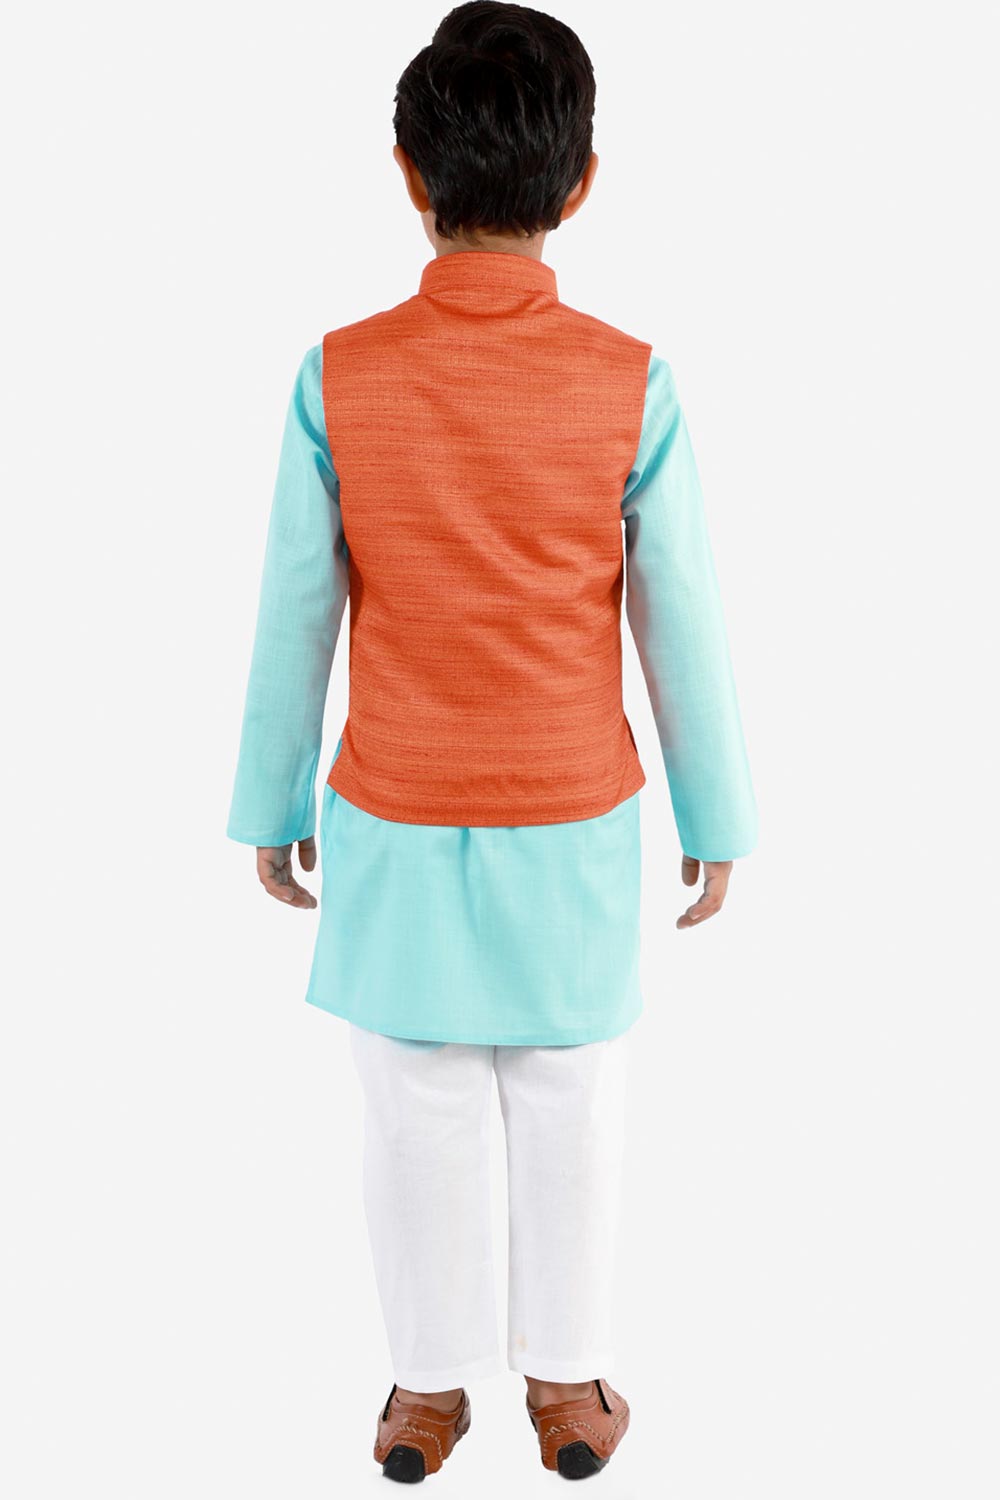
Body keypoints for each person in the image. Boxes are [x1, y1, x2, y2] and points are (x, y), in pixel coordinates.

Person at [226, 0, 758, 1482]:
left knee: (415, 1102)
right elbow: (681, 611)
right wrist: (717, 814)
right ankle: (568, 1388)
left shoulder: (338, 373)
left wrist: (270, 798)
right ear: (581, 182)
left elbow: (294, 604)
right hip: (573, 807)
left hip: (394, 804)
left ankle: (424, 1394)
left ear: (408, 171)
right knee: (572, 1095)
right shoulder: (630, 378)